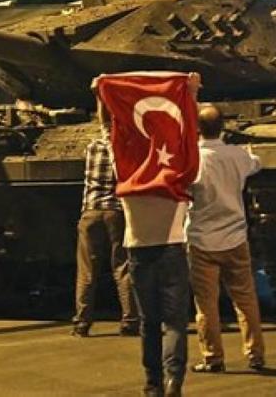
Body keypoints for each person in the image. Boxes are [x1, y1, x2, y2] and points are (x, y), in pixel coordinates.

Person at [118, 72, 201, 397]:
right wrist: (191, 95)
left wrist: (102, 97)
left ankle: (152, 383)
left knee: (148, 323)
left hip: (139, 255)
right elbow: (189, 140)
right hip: (172, 252)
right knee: (175, 323)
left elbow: (114, 137)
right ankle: (173, 382)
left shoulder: (127, 183)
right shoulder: (177, 179)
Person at [186, 105, 265, 373]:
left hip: (201, 241)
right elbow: (256, 164)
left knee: (205, 304)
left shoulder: (191, 158)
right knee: (245, 299)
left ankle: (212, 357)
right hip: (235, 238)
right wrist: (250, 154)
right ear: (222, 127)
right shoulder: (237, 155)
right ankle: (255, 355)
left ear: (197, 128)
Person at [71, 96, 139, 338]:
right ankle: (130, 320)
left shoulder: (92, 146)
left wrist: (101, 94)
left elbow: (104, 124)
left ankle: (82, 322)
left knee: (87, 270)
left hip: (90, 212)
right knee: (121, 266)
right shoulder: (125, 148)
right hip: (116, 212)